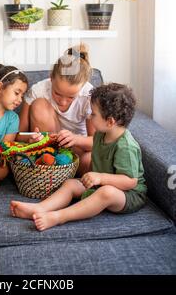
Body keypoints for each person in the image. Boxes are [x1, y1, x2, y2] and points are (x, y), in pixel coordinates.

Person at [10, 83, 147, 231]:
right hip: (100, 185)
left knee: (106, 192)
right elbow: (88, 145)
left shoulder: (126, 146)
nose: (90, 116)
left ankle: (58, 217)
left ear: (110, 121)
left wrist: (100, 178)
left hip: (127, 195)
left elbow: (130, 181)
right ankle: (39, 208)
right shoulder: (102, 133)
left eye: (93, 114)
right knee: (71, 184)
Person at [19, 44, 95, 175]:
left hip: (77, 148)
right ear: (51, 78)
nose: (63, 101)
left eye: (71, 97)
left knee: (90, 160)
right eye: (57, 93)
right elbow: (19, 135)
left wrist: (75, 139)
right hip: (48, 148)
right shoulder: (38, 91)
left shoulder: (89, 96)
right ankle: (51, 166)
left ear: (82, 86)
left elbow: (97, 142)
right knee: (39, 105)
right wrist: (31, 139)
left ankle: (60, 174)